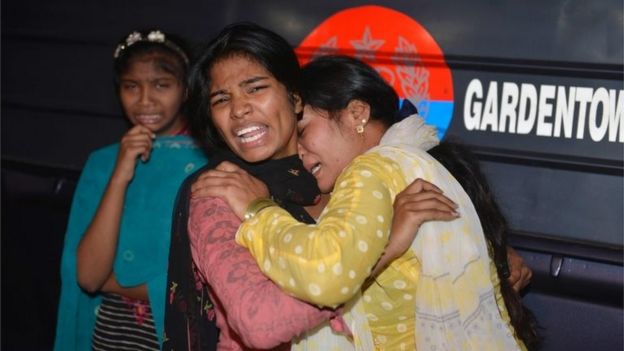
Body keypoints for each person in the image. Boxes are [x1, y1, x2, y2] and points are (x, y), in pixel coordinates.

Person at [196, 55, 539, 350]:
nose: (297, 150)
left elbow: (328, 270)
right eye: (222, 99)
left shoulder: (370, 170)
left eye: (302, 131)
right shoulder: (422, 159)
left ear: (356, 113)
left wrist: (258, 209)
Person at [162, 22, 460, 351]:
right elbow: (259, 323)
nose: (239, 108)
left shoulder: (340, 179)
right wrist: (384, 249)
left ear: (294, 97)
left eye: (255, 88)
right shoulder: (219, 193)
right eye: (221, 99)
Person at [54, 29, 207, 351]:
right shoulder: (103, 162)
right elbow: (88, 277)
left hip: (174, 336)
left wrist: (119, 280)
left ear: (186, 90)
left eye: (161, 85)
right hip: (108, 334)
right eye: (131, 87)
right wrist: (120, 174)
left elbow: (203, 281)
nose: (145, 100)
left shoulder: (209, 164)